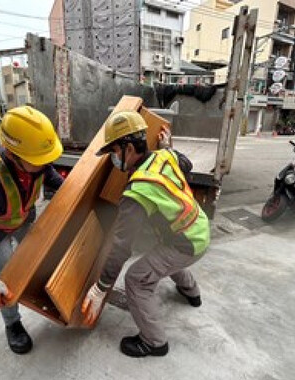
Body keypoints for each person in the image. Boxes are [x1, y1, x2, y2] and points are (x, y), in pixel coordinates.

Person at [81, 111, 210, 358]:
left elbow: (121, 247)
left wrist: (101, 287)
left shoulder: (138, 191)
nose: (113, 159)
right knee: (161, 258)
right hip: (198, 229)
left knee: (136, 278)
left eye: (114, 152)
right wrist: (167, 146)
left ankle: (154, 342)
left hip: (185, 244)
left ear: (128, 148)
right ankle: (191, 292)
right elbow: (186, 165)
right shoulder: (164, 156)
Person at [0, 106, 64, 354]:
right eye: (40, 160)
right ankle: (13, 323)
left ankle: (46, 293)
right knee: (6, 278)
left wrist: (70, 189)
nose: (46, 163)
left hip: (23, 220)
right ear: (14, 154)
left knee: (38, 258)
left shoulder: (35, 161)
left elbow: (49, 175)